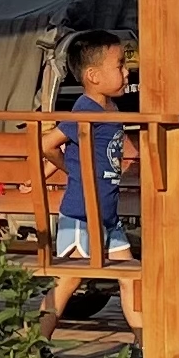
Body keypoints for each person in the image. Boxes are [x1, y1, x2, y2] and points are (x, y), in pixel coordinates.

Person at [52, 29, 133, 320]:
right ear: (93, 76)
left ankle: (143, 342)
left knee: (131, 278)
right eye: (120, 65)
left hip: (107, 214)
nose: (127, 72)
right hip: (82, 214)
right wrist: (69, 169)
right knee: (68, 281)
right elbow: (49, 144)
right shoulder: (84, 110)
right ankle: (35, 340)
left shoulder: (111, 108)